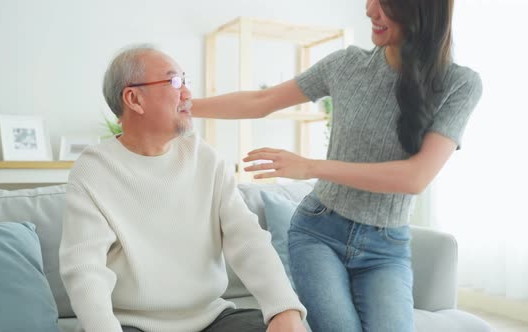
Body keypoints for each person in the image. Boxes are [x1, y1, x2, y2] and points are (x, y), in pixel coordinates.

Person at [191, 0, 483, 331]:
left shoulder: (460, 84)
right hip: (318, 234)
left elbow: (415, 177)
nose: (370, 10)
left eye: (385, 3)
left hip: (386, 249)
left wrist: (312, 167)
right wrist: (184, 106)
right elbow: (262, 101)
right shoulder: (347, 65)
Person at [58, 44, 307, 332]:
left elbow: (247, 238)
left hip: (212, 318)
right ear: (134, 98)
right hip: (130, 325)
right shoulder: (93, 170)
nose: (188, 94)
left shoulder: (204, 157)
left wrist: (285, 309)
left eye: (186, 81)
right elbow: (85, 270)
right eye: (175, 82)